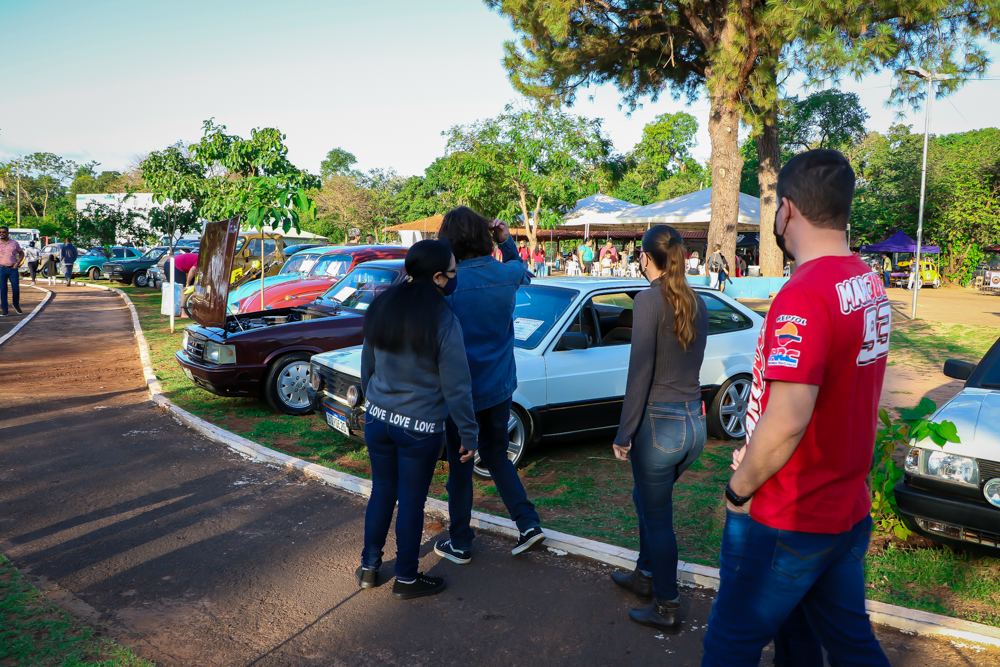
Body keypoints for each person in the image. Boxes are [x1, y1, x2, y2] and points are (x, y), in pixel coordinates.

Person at [701, 149, 891, 667]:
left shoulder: (804, 294)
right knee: (837, 642)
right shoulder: (867, 283)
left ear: (786, 210)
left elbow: (787, 418)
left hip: (790, 511)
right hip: (843, 506)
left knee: (730, 638)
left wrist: (739, 490)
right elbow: (858, 393)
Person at [357, 239, 479, 600]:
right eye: (454, 271)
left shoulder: (382, 304)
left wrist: (375, 402)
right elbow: (457, 386)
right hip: (420, 428)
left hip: (377, 419)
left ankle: (369, 567)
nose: (456, 277)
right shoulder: (444, 319)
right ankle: (407, 579)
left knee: (382, 491)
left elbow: (368, 366)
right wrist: (469, 434)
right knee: (411, 502)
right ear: (439, 277)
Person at [611, 224, 708, 632]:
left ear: (646, 259)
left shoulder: (648, 300)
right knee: (648, 503)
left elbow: (640, 373)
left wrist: (623, 433)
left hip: (660, 426)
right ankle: (644, 576)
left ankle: (666, 605)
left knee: (658, 517)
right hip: (694, 424)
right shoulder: (697, 301)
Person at [435, 207, 545, 563]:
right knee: (497, 455)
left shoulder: (447, 284)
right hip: (499, 385)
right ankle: (528, 523)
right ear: (484, 236)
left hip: (460, 391)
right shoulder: (506, 273)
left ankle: (461, 542)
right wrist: (507, 241)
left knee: (461, 466)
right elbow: (520, 268)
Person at [0, 226, 25, 316]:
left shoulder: (14, 243)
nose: (2, 234)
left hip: (13, 269)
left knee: (15, 288)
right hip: (1, 269)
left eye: (3, 232)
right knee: (3, 290)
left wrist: (18, 262)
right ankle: (4, 309)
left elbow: (21, 253)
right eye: (0, 232)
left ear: (8, 233)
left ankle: (16, 304)